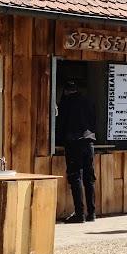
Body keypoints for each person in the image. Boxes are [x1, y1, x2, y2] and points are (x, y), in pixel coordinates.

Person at [55, 78, 97, 224]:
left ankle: (80, 214)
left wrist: (59, 140)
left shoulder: (65, 103)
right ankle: (92, 213)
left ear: (66, 91)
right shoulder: (88, 101)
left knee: (75, 178)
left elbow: (60, 125)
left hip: (73, 144)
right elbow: (94, 122)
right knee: (89, 178)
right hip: (89, 142)